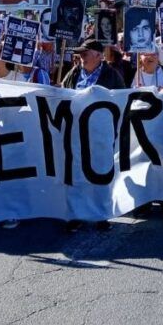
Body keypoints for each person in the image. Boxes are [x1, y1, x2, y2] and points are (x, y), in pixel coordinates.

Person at [60, 39, 125, 232]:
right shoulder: (73, 73)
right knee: (76, 173)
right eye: (80, 53)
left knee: (101, 173)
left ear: (98, 55)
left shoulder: (112, 75)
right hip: (76, 132)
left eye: (85, 53)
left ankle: (101, 214)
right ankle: (76, 214)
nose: (81, 57)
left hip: (101, 132)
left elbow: (121, 100)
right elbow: (62, 93)